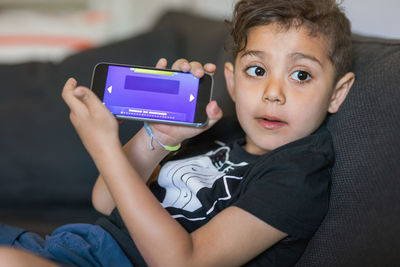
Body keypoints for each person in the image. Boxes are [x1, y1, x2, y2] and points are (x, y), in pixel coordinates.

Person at [0, 0, 355, 266]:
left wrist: (104, 148)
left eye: (301, 75)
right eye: (257, 69)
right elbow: (106, 201)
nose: (273, 92)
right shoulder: (221, 132)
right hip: (73, 245)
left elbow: (181, 262)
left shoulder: (297, 172)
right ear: (232, 81)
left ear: (337, 93)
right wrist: (159, 134)